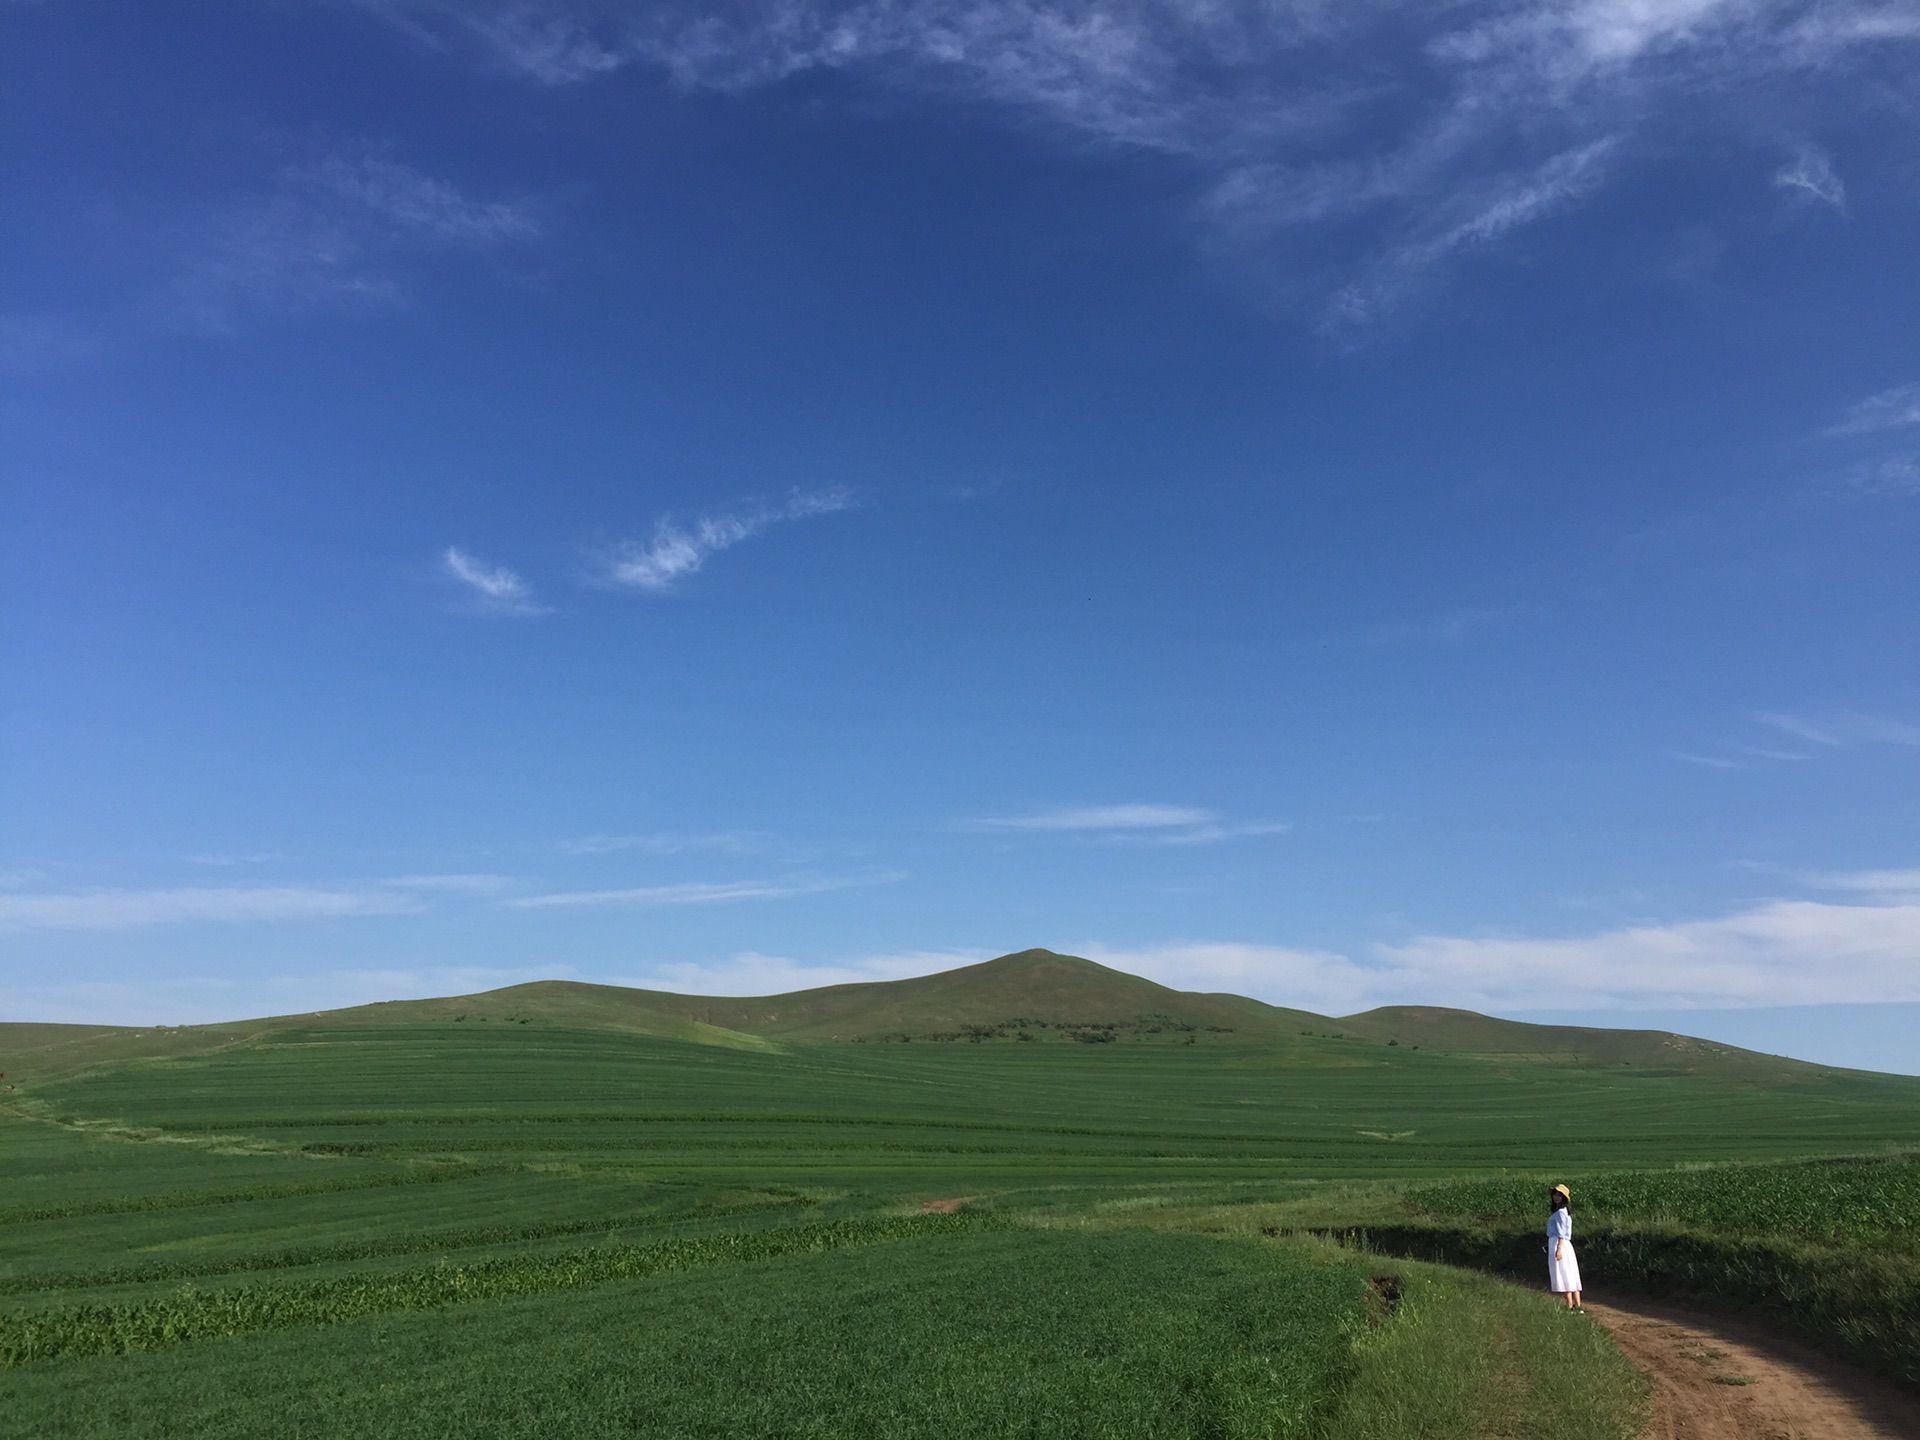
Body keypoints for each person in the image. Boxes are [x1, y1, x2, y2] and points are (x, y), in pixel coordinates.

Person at [1548, 1183, 1583, 1311]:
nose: (1556, 1197)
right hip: (1562, 1244)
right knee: (1571, 1273)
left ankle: (1570, 1305)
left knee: (1564, 1274)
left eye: (1559, 1195)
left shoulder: (1561, 1213)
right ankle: (1577, 1305)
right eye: (1555, 1195)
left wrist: (1559, 1248)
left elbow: (1561, 1232)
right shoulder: (1563, 1212)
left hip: (1559, 1243)